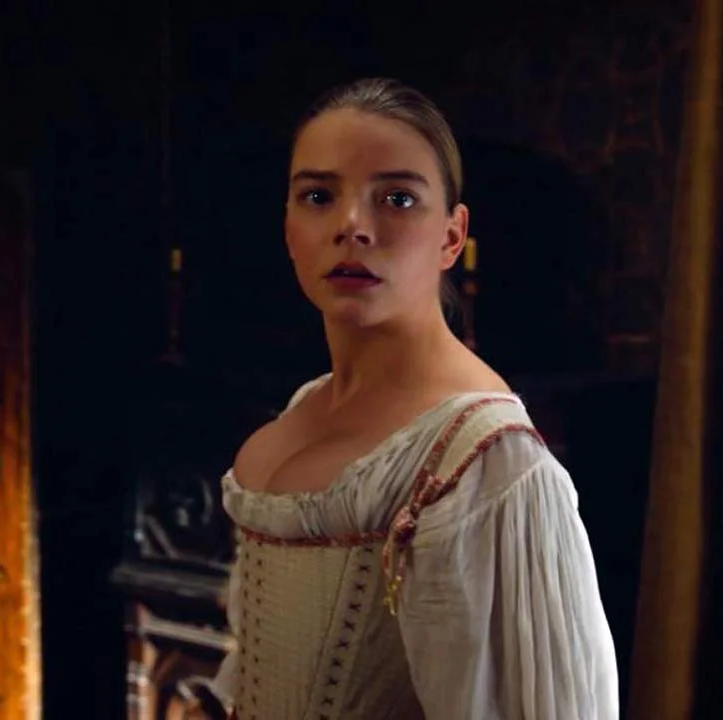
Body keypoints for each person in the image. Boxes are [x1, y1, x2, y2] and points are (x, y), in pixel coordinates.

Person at [212, 77, 618, 719]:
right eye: (318, 196)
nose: (351, 225)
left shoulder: (488, 463)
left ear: (452, 237)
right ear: (288, 228)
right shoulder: (306, 406)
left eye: (397, 198)